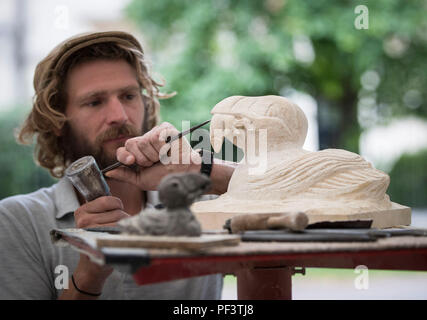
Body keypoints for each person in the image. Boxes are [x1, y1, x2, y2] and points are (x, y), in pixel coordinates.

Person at [0, 31, 235, 299]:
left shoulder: (203, 197)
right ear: (57, 121)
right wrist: (89, 275)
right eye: (95, 102)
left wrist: (200, 170)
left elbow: (290, 195)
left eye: (128, 96)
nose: (119, 116)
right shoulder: (19, 221)